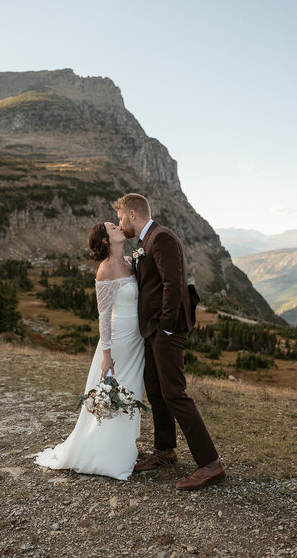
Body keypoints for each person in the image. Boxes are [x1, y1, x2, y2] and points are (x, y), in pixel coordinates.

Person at [113, 193, 225, 490]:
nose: (119, 223)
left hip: (166, 331)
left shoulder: (161, 238)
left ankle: (210, 464)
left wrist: (164, 328)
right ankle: (165, 451)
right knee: (157, 391)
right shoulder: (145, 243)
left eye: (121, 217)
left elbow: (173, 285)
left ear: (133, 215)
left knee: (175, 393)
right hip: (152, 330)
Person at [33, 221, 145, 480]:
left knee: (132, 391)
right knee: (118, 392)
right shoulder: (105, 270)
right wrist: (106, 353)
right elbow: (103, 316)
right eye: (112, 227)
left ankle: (124, 447)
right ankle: (106, 456)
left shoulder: (130, 261)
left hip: (136, 340)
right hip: (118, 341)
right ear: (105, 240)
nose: (119, 226)